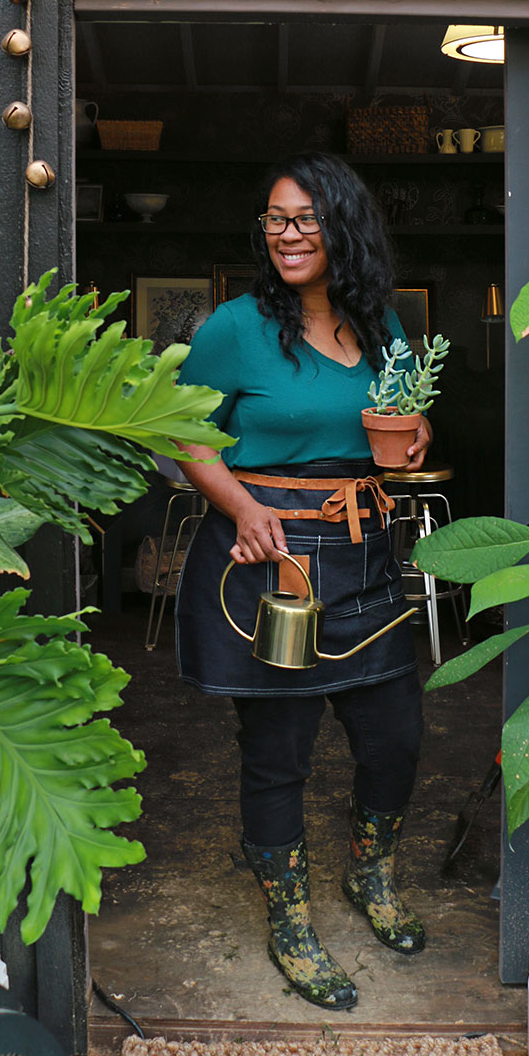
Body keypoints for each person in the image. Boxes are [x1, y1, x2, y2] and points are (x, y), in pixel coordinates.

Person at [174, 151, 432, 1012]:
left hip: (362, 552)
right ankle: (290, 918)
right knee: (277, 752)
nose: (286, 234)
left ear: (342, 227)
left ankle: (371, 874)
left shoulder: (380, 323)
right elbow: (183, 437)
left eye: (305, 219)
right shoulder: (235, 328)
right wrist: (242, 507)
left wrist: (415, 431)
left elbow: (404, 414)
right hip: (270, 559)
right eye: (276, 220)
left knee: (394, 736)